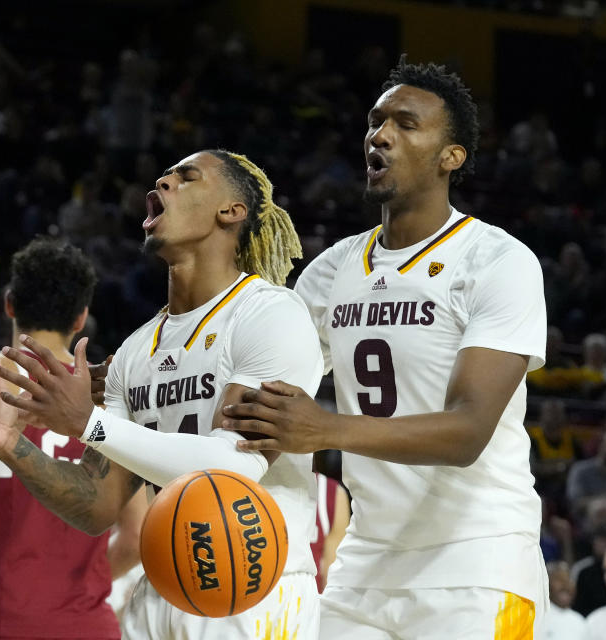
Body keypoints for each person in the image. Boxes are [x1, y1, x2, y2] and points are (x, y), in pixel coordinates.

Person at [0, 149, 326, 639]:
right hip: (162, 589)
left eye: (187, 177)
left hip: (254, 590)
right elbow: (97, 504)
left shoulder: (270, 313)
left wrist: (88, 423)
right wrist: (11, 445)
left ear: (231, 211)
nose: (164, 180)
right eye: (166, 175)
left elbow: (234, 468)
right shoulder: (136, 352)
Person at [221, 58, 548, 637]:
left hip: (480, 562)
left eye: (405, 123)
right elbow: (253, 380)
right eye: (375, 121)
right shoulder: (331, 271)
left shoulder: (498, 261)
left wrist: (325, 430)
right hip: (364, 568)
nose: (380, 134)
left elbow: (468, 430)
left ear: (452, 157)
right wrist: (128, 385)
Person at [0, 238, 142, 639]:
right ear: (80, 319)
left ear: (10, 304)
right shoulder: (110, 396)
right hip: (85, 624)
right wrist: (79, 583)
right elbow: (138, 536)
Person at [541, 561, 586, 639]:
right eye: (559, 580)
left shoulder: (580, 621)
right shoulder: (537, 619)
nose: (565, 585)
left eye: (568, 580)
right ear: (546, 584)